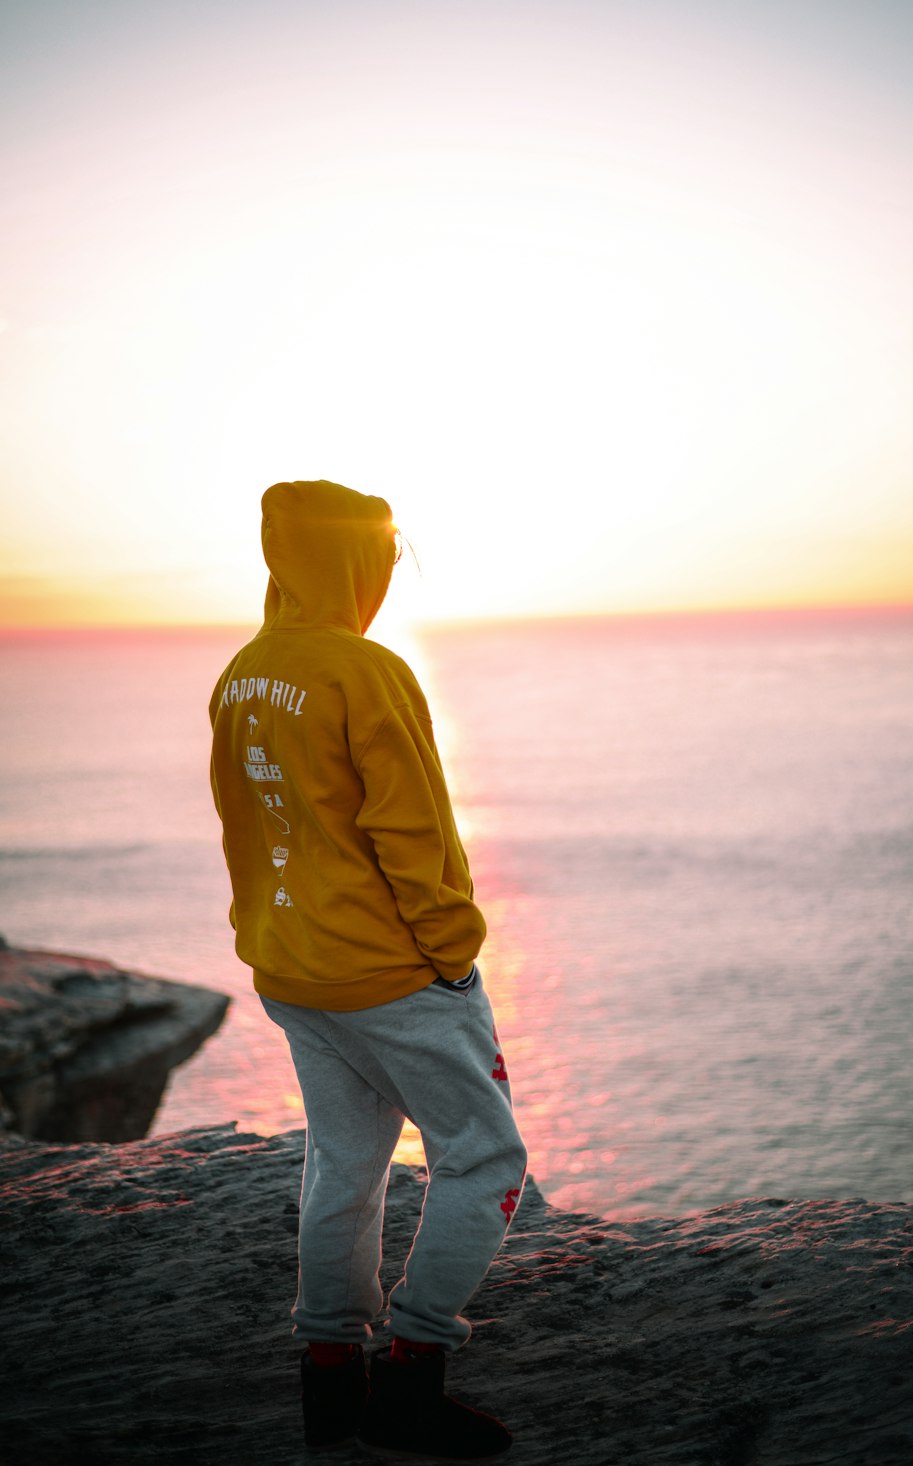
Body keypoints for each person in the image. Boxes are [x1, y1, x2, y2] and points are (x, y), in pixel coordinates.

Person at [209, 480, 527, 1460]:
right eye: (385, 555)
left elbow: (246, 824)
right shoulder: (366, 670)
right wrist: (455, 960)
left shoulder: (242, 673)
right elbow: (412, 833)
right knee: (484, 1159)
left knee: (345, 1160)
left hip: (292, 969)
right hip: (392, 974)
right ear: (355, 562)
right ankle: (410, 1371)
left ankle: (330, 1376)